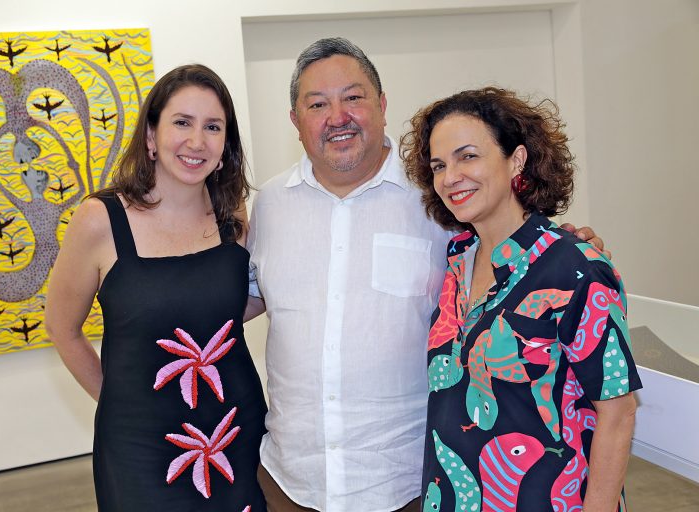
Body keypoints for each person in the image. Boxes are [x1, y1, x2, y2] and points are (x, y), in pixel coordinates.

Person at [245, 38, 606, 512]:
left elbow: (513, 245)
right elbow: (247, 298)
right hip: (291, 482)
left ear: (382, 104)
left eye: (353, 97)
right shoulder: (269, 205)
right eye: (318, 104)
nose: (338, 116)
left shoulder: (439, 198)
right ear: (296, 122)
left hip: (411, 482)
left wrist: (564, 246)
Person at [401, 87, 640, 511]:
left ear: (517, 159)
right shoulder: (454, 262)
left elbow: (618, 413)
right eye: (439, 165)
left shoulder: (573, 267)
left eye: (468, 155)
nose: (450, 176)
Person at [45, 64, 266, 511]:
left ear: (226, 146)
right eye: (181, 122)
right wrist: (118, 401)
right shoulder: (100, 220)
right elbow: (62, 327)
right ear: (151, 135)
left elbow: (238, 305)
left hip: (234, 430)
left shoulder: (235, 220)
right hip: (138, 447)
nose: (196, 141)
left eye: (213, 127)